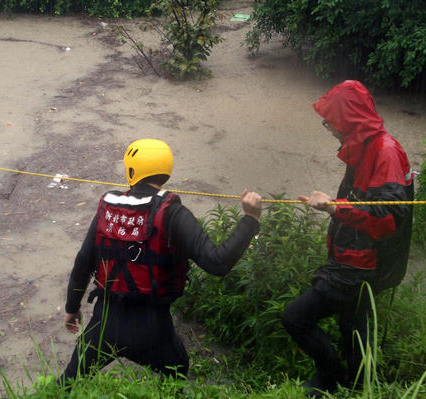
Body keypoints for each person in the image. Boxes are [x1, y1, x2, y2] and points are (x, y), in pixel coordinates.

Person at [60, 138, 262, 385]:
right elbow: (217, 263)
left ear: (132, 171)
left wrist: (72, 308)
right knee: (178, 370)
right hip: (152, 330)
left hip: (104, 326)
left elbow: (83, 262)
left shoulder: (108, 208)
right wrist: (250, 219)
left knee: (67, 384)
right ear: (165, 173)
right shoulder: (173, 214)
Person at [282, 80, 414, 397]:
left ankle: (332, 376)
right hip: (355, 257)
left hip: (365, 266)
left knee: (296, 317)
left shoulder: (385, 153)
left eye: (331, 120)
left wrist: (334, 208)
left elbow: (389, 218)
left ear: (350, 120)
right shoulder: (364, 146)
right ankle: (357, 385)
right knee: (353, 326)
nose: (326, 126)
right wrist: (336, 210)